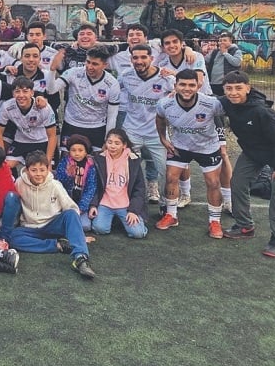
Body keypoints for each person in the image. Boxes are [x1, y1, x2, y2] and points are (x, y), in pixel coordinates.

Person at [219, 71, 275, 258]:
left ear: (248, 88)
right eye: (229, 89)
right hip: (253, 152)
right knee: (237, 183)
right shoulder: (226, 102)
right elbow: (202, 98)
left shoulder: (262, 111)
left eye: (238, 88)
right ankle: (245, 226)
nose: (233, 92)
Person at [0, 150, 96, 278]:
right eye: (34, 170)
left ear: (48, 169)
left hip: (52, 225)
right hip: (30, 227)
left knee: (71, 213)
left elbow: (71, 207)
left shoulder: (55, 185)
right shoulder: (19, 183)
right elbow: (12, 206)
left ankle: (80, 258)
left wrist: (79, 236)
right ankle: (58, 245)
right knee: (13, 237)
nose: (38, 174)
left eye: (42, 170)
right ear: (27, 170)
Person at [155, 69, 226, 239]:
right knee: (171, 177)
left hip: (207, 147)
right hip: (180, 146)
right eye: (183, 84)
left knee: (213, 182)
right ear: (175, 85)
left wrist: (222, 141)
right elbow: (159, 118)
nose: (187, 88)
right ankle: (171, 215)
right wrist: (163, 139)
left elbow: (222, 118)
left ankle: (214, 221)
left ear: (198, 86)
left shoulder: (211, 103)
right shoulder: (165, 103)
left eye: (191, 85)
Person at [118, 44, 175, 211]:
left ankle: (168, 208)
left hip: (157, 134)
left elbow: (187, 90)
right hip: (132, 131)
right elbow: (110, 90)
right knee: (126, 171)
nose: (139, 61)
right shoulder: (126, 76)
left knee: (169, 172)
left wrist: (175, 92)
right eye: (135, 58)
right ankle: (127, 204)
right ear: (131, 60)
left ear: (151, 58)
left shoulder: (166, 78)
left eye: (143, 57)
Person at [47, 45, 120, 151]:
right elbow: (51, 90)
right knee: (67, 164)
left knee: (96, 164)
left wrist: (108, 140)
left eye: (95, 64)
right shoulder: (74, 72)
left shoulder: (112, 83)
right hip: (71, 125)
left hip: (97, 128)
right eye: (88, 62)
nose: (90, 67)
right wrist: (52, 70)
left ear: (105, 65)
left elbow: (112, 115)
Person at [90, 128, 149, 238]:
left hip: (126, 205)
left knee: (138, 233)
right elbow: (94, 185)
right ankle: (114, 219)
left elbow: (139, 189)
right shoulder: (98, 159)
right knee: (100, 228)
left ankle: (126, 219)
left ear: (124, 145)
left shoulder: (133, 160)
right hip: (105, 203)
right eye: (109, 142)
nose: (112, 146)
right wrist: (93, 205)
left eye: (117, 143)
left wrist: (133, 210)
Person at [0, 76, 57, 168]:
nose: (21, 95)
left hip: (41, 141)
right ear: (13, 93)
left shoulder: (44, 107)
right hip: (21, 140)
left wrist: (48, 161)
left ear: (32, 93)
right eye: (17, 91)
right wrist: (2, 158)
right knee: (4, 167)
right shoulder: (7, 107)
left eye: (25, 91)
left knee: (44, 170)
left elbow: (52, 136)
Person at [54, 134, 98, 232]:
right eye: (73, 150)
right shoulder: (64, 162)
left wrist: (81, 208)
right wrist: (68, 175)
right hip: (66, 202)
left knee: (85, 226)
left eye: (80, 150)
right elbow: (58, 184)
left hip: (81, 204)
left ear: (86, 151)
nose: (77, 153)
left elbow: (91, 188)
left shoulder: (91, 166)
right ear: (69, 151)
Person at [205, 31, 242, 96]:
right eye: (220, 40)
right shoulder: (215, 51)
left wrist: (225, 53)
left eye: (225, 40)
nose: (222, 42)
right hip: (212, 82)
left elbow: (236, 63)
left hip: (227, 83)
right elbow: (205, 60)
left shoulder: (236, 51)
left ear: (230, 42)